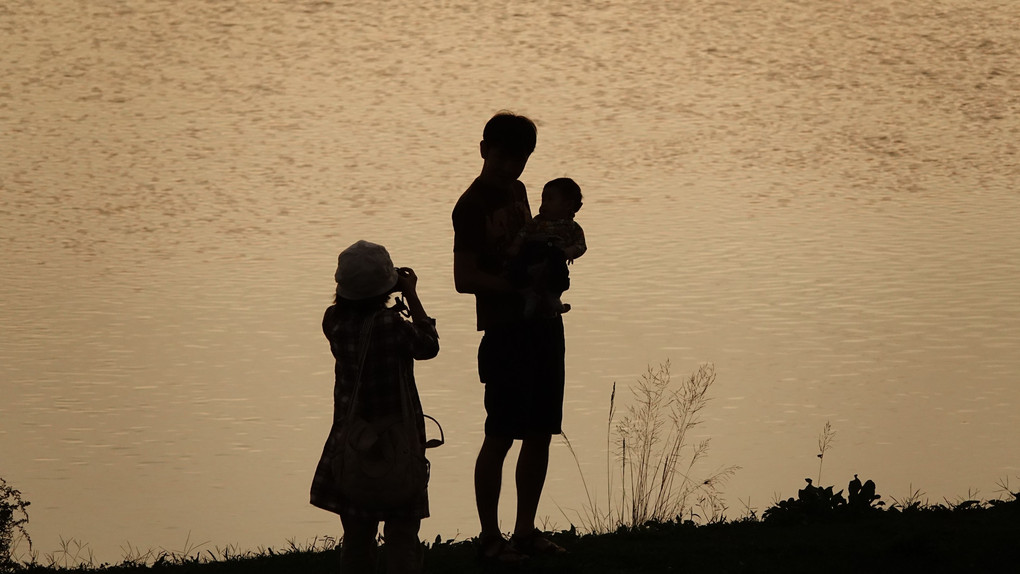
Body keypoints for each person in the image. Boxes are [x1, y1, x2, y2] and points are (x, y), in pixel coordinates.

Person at [451, 111, 569, 563]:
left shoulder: (521, 192)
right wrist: (519, 288)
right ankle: (489, 538)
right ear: (484, 149)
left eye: (519, 159)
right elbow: (465, 278)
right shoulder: (470, 205)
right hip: (504, 330)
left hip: (543, 325)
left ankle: (524, 531)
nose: (509, 167)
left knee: (540, 431)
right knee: (499, 434)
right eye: (502, 156)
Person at [310, 240, 439, 574]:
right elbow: (427, 347)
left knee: (356, 533)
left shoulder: (333, 321)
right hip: (398, 439)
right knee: (402, 532)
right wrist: (410, 295)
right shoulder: (391, 325)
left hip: (352, 438)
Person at [507, 177, 586, 317]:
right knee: (517, 266)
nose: (544, 205)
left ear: (567, 205)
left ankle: (554, 297)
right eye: (543, 200)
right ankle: (528, 294)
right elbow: (523, 232)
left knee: (558, 272)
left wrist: (570, 251)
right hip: (533, 251)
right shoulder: (537, 221)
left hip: (555, 254)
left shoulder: (572, 227)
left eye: (550, 200)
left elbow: (581, 245)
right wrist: (515, 245)